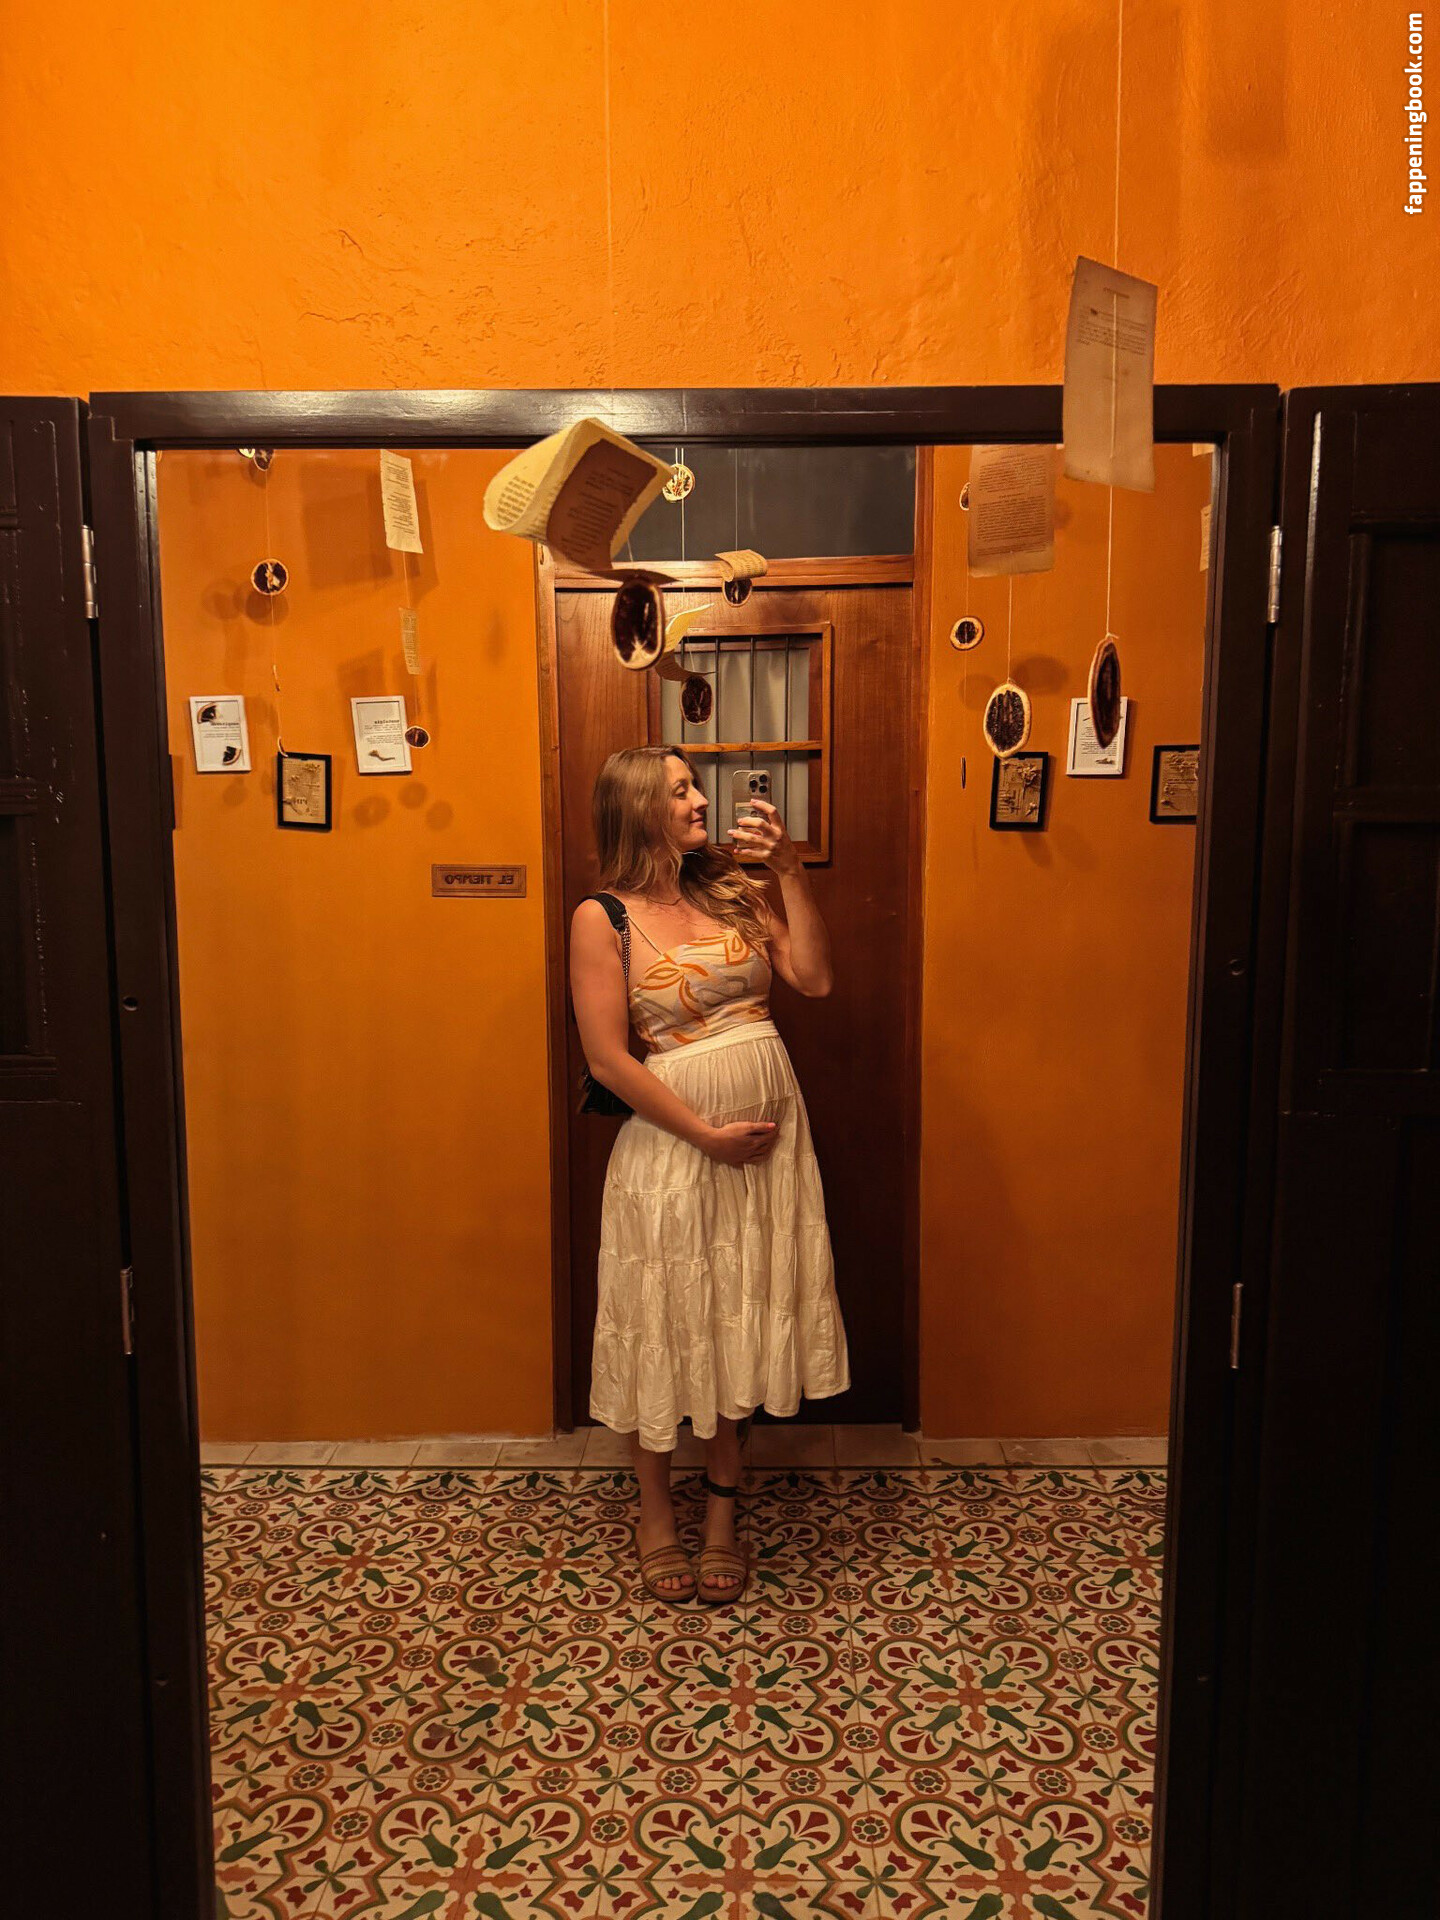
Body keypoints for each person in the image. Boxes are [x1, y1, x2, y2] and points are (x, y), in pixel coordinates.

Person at [569, 745, 852, 1605]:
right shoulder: (601, 917)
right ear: (636, 810)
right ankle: (656, 1515)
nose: (700, 801)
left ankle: (723, 1513)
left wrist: (790, 872)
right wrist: (705, 1135)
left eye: (694, 786)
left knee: (739, 1316)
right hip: (675, 1150)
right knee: (666, 1317)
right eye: (680, 791)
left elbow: (815, 979)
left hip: (764, 1157)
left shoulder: (732, 888)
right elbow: (609, 1060)